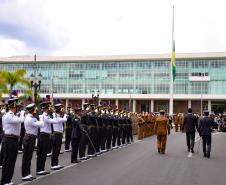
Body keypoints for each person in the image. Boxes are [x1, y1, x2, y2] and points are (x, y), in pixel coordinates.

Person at [0, 98, 25, 185]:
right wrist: (22, 113)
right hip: (10, 140)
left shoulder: (10, 115)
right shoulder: (8, 115)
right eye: (16, 107)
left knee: (11, 161)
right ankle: (5, 180)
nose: (17, 109)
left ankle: (8, 179)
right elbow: (21, 120)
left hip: (12, 140)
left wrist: (19, 114)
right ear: (13, 107)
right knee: (8, 162)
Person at [21, 103, 44, 181]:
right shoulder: (30, 118)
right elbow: (42, 124)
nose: (36, 111)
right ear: (32, 110)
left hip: (30, 138)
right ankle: (24, 174)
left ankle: (27, 173)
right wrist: (41, 116)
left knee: (29, 157)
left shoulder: (30, 117)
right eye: (35, 110)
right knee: (26, 157)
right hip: (29, 138)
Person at [36, 101, 57, 175]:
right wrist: (54, 113)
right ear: (47, 108)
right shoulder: (44, 116)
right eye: (49, 107)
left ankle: (41, 169)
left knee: (43, 153)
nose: (50, 109)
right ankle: (39, 169)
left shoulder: (46, 116)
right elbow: (55, 121)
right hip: (44, 136)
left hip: (45, 136)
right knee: (42, 153)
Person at [51, 104, 67, 170]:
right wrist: (65, 114)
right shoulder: (55, 115)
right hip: (57, 134)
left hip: (58, 134)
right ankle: (54, 164)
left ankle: (56, 164)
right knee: (55, 150)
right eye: (61, 109)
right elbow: (64, 120)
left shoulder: (57, 115)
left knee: (57, 150)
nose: (62, 110)